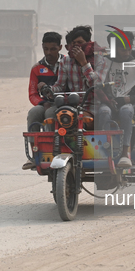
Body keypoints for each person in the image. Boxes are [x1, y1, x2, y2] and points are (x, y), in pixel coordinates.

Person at [96, 31, 135, 168]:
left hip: (128, 103)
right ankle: (105, 152)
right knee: (103, 112)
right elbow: (97, 85)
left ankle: (125, 154)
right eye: (123, 49)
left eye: (129, 49)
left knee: (126, 111)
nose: (127, 52)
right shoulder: (104, 63)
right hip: (107, 102)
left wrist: (125, 100)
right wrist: (108, 100)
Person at [22, 31, 64, 170]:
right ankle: (35, 155)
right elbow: (32, 94)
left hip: (65, 103)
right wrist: (42, 103)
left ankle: (55, 150)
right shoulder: (37, 68)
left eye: (53, 49)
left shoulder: (67, 64)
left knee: (50, 114)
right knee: (34, 113)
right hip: (45, 103)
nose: (49, 52)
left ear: (60, 47)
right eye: (46, 49)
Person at [39, 25, 100, 112]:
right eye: (74, 43)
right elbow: (60, 86)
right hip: (72, 106)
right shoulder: (66, 61)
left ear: (88, 43)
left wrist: (84, 63)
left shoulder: (99, 60)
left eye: (80, 43)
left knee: (104, 114)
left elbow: (97, 86)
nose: (76, 46)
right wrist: (48, 89)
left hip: (94, 106)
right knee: (52, 115)